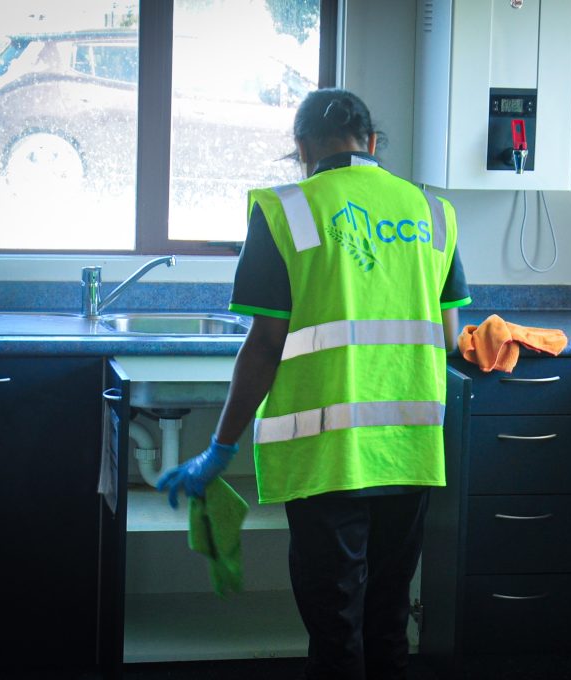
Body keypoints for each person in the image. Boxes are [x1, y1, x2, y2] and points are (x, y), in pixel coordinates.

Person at [159, 88, 471, 680]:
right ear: (371, 141)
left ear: (301, 148)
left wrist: (219, 447)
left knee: (335, 628)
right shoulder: (433, 212)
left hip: (326, 459)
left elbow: (264, 346)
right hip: (409, 453)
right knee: (389, 619)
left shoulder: (286, 210)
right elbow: (451, 336)